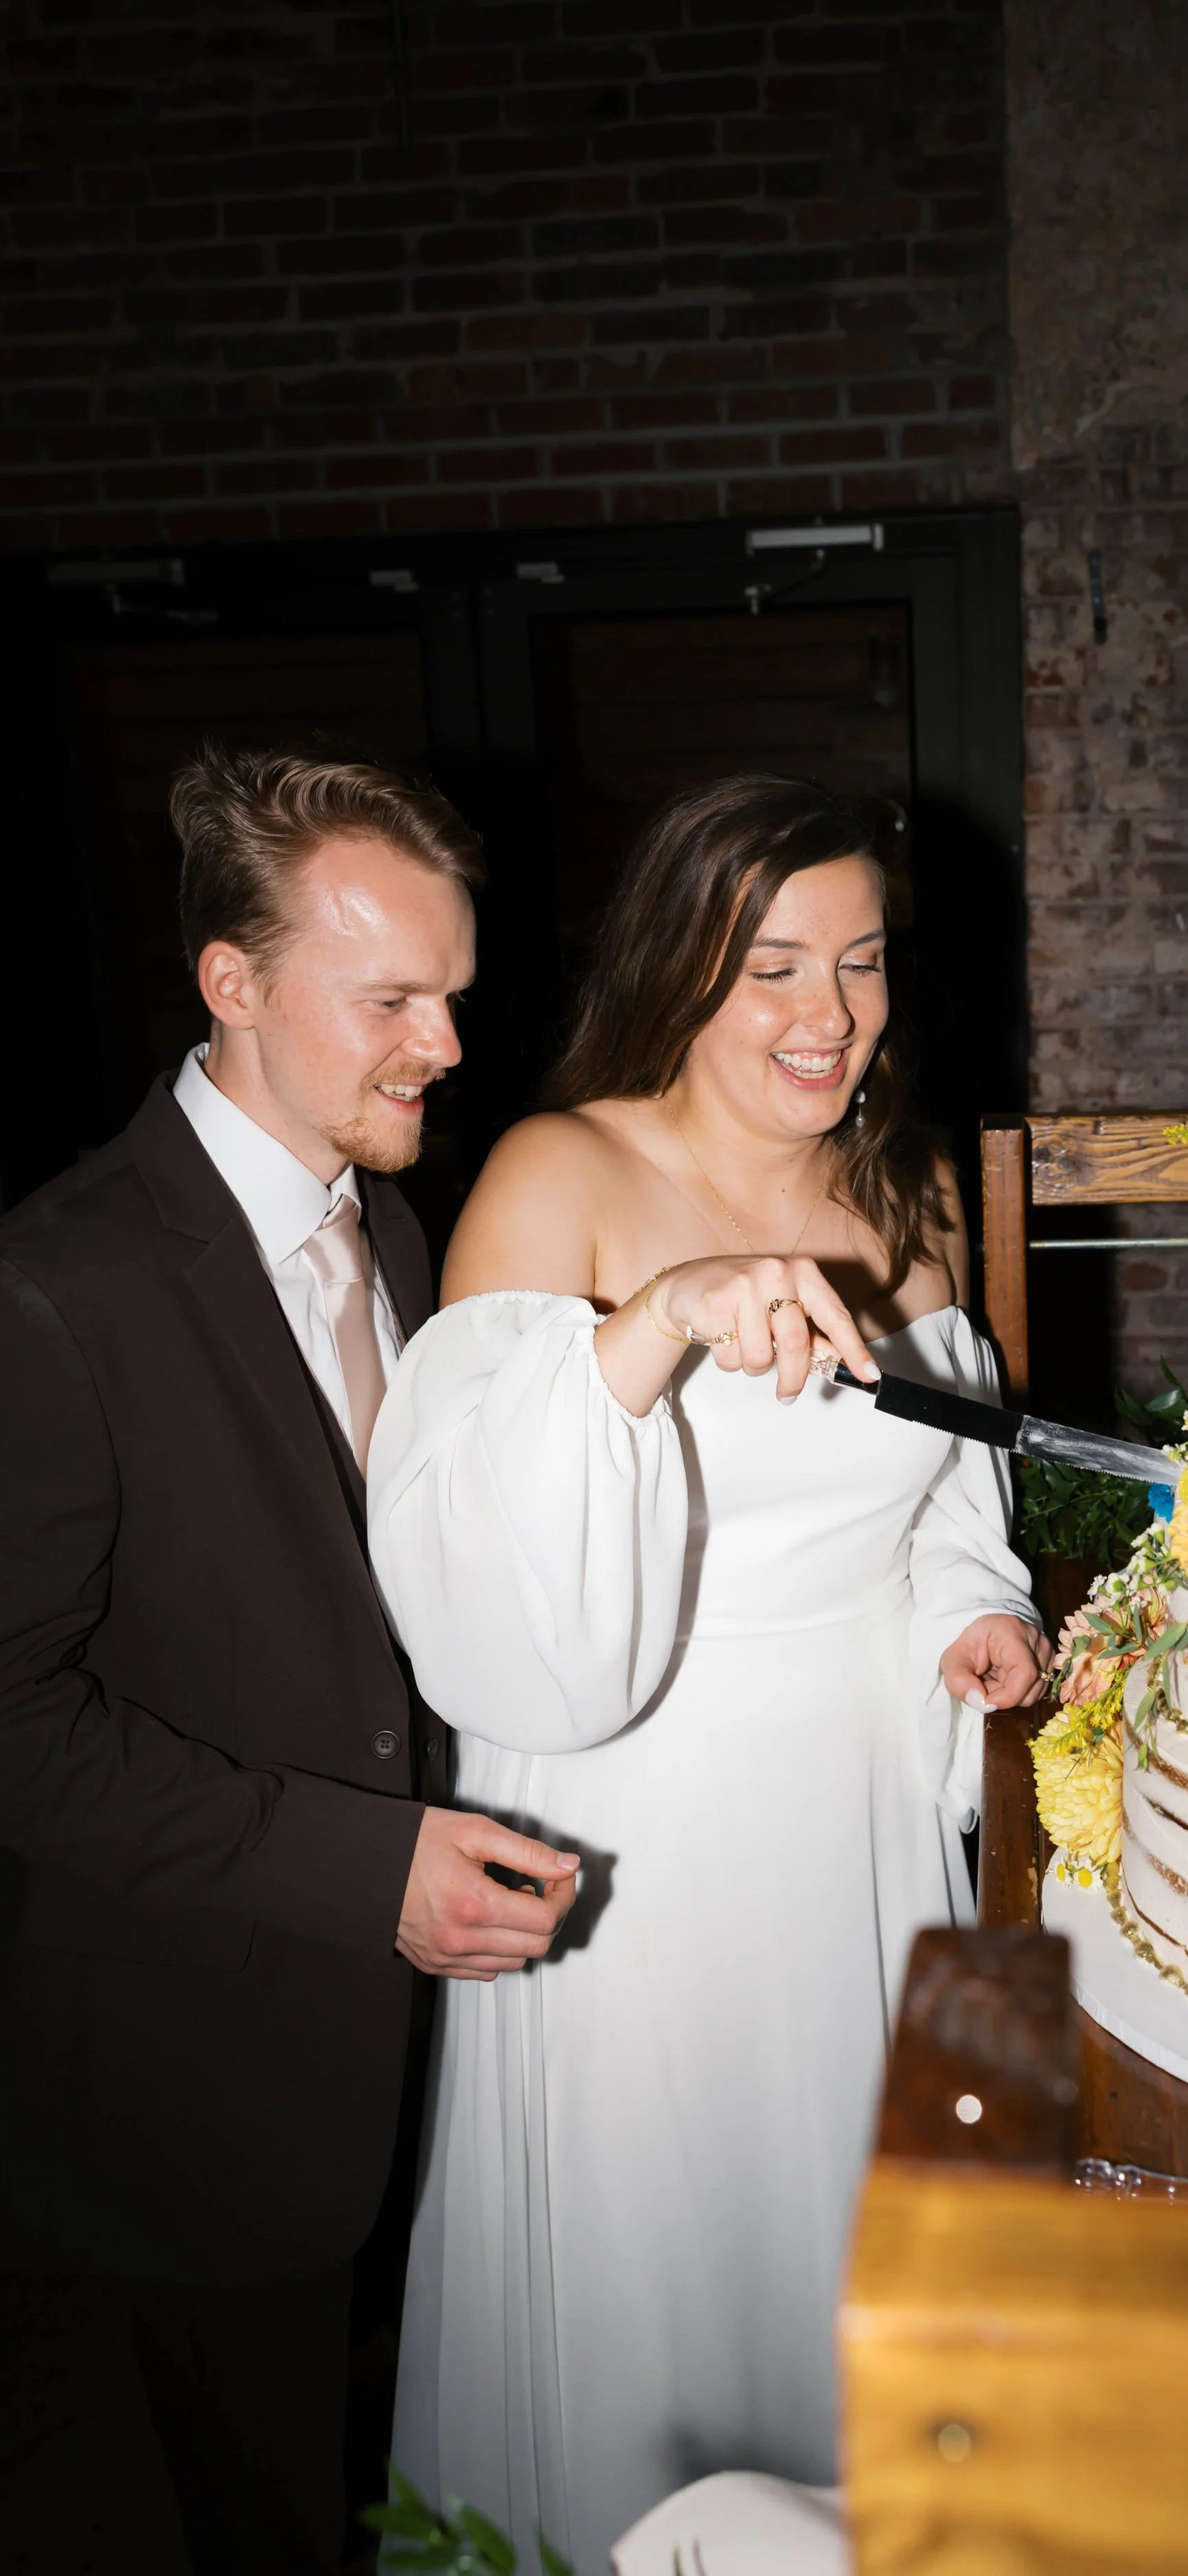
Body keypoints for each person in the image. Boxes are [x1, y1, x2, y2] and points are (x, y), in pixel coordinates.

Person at [367, 773, 1050, 2571]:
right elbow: (473, 1567)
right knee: (649, 2268)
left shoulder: (906, 1188)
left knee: (835, 2244)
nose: (824, 1015)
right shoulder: (558, 1170)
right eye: (770, 965)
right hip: (636, 1840)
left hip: (858, 1832)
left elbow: (939, 1504)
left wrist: (970, 1619)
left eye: (861, 961)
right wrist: (652, 1327)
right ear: (680, 963)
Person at [0, 747, 581, 2576]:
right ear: (232, 984)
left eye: (455, 996)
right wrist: (360, 1864)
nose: (446, 1046)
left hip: (415, 2043)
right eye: (391, 998)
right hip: (202, 2069)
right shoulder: (56, 1281)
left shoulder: (388, 1221)